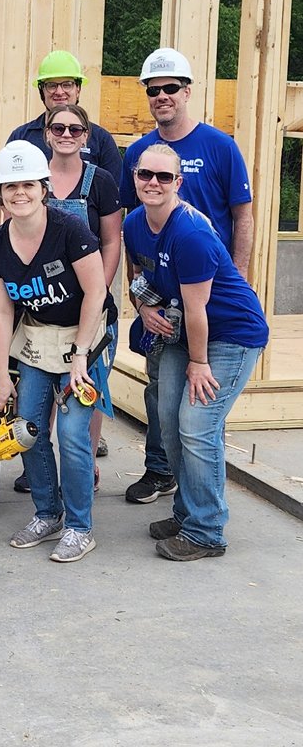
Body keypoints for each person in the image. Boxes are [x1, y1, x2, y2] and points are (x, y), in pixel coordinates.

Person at [119, 47, 254, 506]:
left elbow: (243, 213)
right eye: (153, 90)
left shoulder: (219, 146)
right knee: (161, 395)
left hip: (209, 303)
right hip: (169, 305)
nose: (161, 96)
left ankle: (203, 518)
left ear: (187, 91)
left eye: (170, 87)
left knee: (197, 419)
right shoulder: (137, 154)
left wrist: (238, 276)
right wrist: (142, 302)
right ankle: (162, 474)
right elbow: (135, 252)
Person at [123, 144, 267, 560]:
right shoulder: (134, 223)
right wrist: (145, 306)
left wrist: (199, 363)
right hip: (182, 330)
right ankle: (188, 513)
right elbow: (137, 275)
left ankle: (206, 531)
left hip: (229, 335)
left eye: (164, 177)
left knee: (197, 425)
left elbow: (198, 309)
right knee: (168, 421)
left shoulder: (191, 233)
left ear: (178, 183)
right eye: (146, 174)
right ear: (135, 176)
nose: (153, 183)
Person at [0, 142, 115, 563]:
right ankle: (48, 513)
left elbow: (97, 291)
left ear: (44, 188)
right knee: (28, 429)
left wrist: (80, 356)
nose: (18, 194)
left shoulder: (69, 229)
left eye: (27, 185)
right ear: (0, 193)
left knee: (74, 434)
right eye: (10, 186)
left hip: (84, 336)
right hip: (38, 341)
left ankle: (81, 526)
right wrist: (2, 372)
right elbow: (3, 309)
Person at [44, 103, 121, 487]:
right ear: (47, 133)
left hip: (90, 304)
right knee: (42, 389)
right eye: (59, 128)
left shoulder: (101, 181)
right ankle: (40, 465)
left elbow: (111, 240)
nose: (67, 135)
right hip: (44, 303)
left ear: (86, 136)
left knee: (87, 386)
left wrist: (100, 291)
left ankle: (84, 464)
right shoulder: (34, 181)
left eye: (75, 129)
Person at [6, 50, 123, 183]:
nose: (59, 92)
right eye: (51, 85)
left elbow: (114, 193)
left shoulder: (101, 140)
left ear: (78, 89)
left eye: (67, 85)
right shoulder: (22, 138)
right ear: (42, 91)